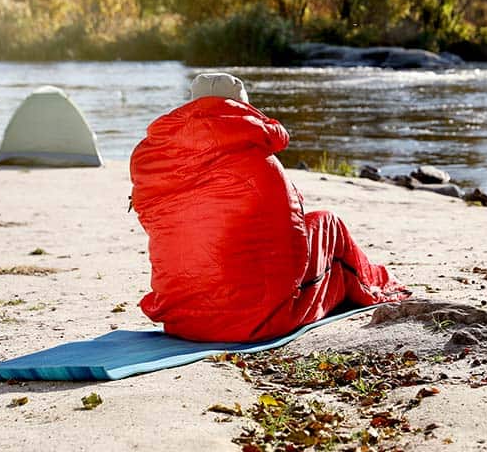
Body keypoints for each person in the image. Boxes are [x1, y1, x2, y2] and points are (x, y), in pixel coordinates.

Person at [130, 73, 409, 342]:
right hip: (254, 322)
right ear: (244, 109)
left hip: (181, 320)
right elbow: (291, 240)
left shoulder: (155, 164)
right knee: (328, 223)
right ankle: (376, 285)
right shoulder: (262, 162)